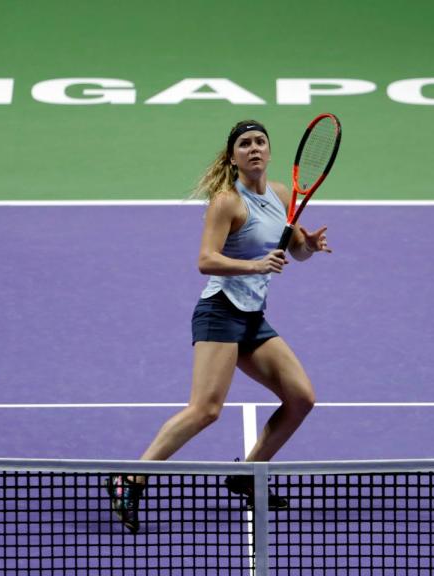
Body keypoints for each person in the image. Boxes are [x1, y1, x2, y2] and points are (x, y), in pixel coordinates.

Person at [105, 120, 332, 533]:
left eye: (260, 141)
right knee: (205, 410)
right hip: (220, 311)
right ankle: (129, 478)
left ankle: (249, 473)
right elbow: (206, 260)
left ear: (269, 150)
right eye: (244, 144)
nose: (254, 148)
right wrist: (255, 264)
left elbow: (294, 250)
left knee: (301, 398)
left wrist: (309, 247)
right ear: (233, 157)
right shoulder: (227, 202)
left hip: (252, 317)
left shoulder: (283, 194)